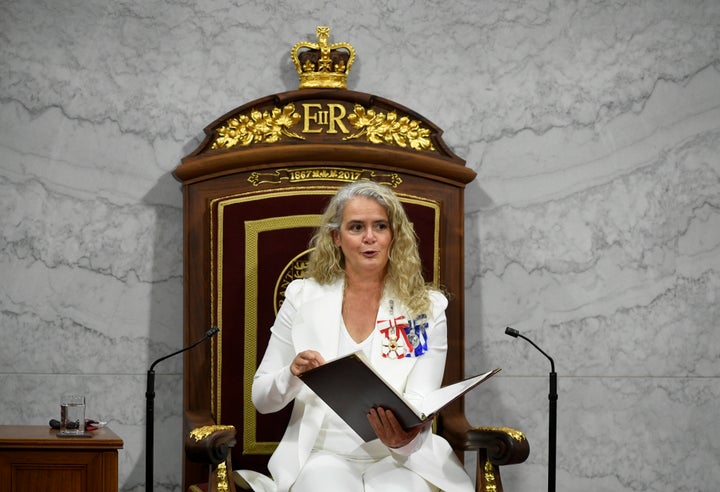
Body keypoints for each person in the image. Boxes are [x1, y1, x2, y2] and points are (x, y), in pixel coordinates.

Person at [236, 180, 474, 492]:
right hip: (322, 455)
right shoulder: (302, 296)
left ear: (393, 235)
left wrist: (403, 442)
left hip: (402, 459)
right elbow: (262, 399)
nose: (370, 238)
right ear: (336, 236)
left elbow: (420, 399)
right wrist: (293, 374)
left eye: (380, 226)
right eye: (356, 227)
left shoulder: (425, 308)